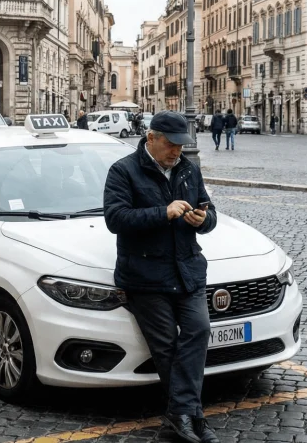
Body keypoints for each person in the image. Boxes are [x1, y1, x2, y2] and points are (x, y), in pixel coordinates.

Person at [103, 111, 219, 443]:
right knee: (166, 345)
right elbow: (116, 218)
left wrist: (203, 220)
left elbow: (210, 211)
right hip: (144, 275)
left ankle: (181, 414)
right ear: (151, 138)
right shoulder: (123, 170)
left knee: (199, 330)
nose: (176, 152)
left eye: (181, 146)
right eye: (170, 145)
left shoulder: (188, 169)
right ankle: (191, 416)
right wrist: (162, 213)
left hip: (187, 270)